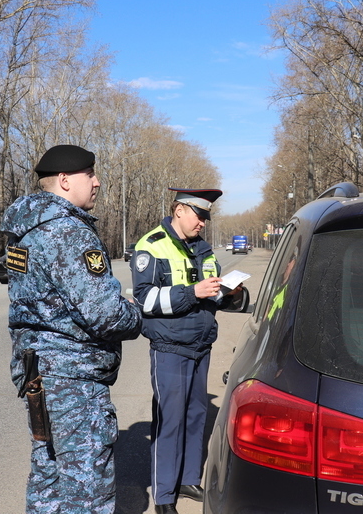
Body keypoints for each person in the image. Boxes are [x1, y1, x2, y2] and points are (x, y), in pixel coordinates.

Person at [0, 144, 142, 514]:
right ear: (64, 180)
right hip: (73, 378)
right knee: (86, 490)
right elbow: (105, 314)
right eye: (89, 175)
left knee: (48, 477)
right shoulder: (69, 233)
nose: (97, 183)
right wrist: (135, 315)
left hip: (38, 373)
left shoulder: (25, 230)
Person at [131, 188, 241, 514]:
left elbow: (213, 293)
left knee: (196, 416)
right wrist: (192, 292)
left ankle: (189, 478)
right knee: (170, 421)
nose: (204, 223)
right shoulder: (151, 246)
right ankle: (165, 496)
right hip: (170, 347)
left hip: (201, 344)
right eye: (199, 215)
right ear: (179, 210)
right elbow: (145, 300)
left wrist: (230, 294)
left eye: (207, 217)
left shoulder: (204, 250)